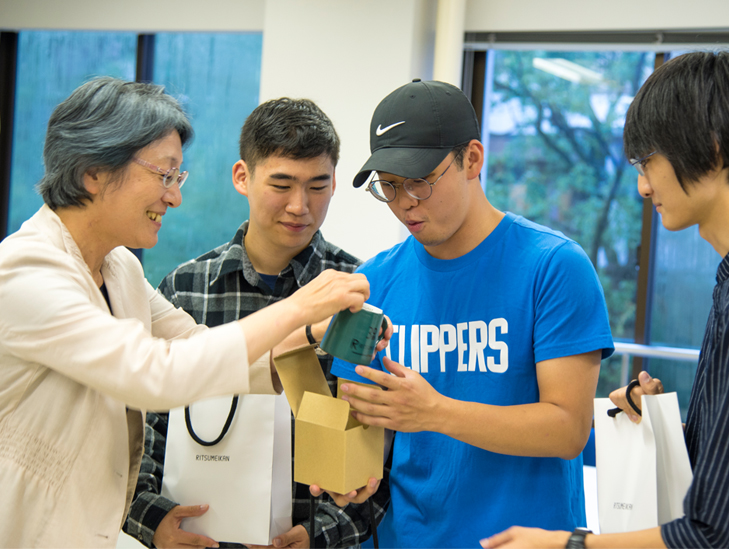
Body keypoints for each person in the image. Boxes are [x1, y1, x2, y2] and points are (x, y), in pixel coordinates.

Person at [0, 78, 371, 548]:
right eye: (164, 175)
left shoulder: (118, 270)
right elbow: (157, 375)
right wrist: (298, 307)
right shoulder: (27, 271)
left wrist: (313, 331)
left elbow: (196, 348)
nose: (173, 197)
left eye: (178, 178)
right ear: (94, 171)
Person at [327, 79, 615, 548]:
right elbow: (365, 421)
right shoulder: (374, 280)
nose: (404, 204)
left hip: (526, 538)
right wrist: (353, 471)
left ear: (473, 159)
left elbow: (568, 429)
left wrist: (435, 411)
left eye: (420, 181)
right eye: (389, 186)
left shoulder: (553, 266)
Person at [479, 50, 729, 549]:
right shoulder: (727, 281)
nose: (643, 186)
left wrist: (568, 545)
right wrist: (669, 427)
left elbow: (716, 533)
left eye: (649, 162)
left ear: (710, 147)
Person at [123, 97, 390, 549]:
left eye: (317, 186)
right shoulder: (186, 289)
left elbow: (382, 445)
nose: (299, 206)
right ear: (242, 177)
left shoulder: (360, 291)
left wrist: (321, 533)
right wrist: (154, 521)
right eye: (281, 184)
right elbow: (146, 429)